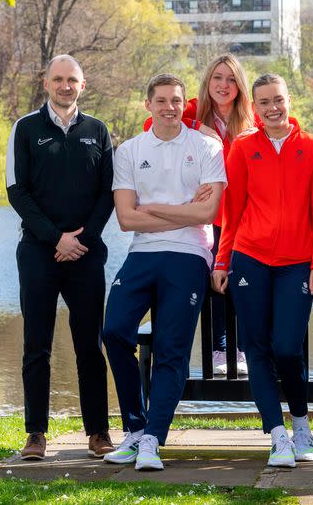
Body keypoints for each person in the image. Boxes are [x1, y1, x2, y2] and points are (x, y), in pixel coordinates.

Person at [102, 74, 226, 471]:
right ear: (148, 105)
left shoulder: (207, 146)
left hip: (190, 254)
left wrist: (151, 209)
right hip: (142, 254)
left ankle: (154, 439)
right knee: (113, 330)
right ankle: (135, 429)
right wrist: (181, 209)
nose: (169, 107)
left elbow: (206, 214)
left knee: (171, 349)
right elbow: (125, 219)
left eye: (176, 101)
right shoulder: (130, 151)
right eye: (161, 101)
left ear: (184, 103)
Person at [211, 74, 313, 468]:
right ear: (255, 107)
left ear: (289, 100)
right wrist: (223, 260)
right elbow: (233, 211)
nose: (272, 108)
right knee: (258, 349)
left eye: (277, 100)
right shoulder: (245, 148)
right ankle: (277, 436)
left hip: (296, 264)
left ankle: (301, 425)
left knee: (286, 347)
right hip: (250, 259)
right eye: (263, 102)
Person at [6, 54, 115, 461]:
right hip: (38, 253)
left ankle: (98, 433)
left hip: (86, 254)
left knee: (90, 345)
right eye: (58, 79)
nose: (65, 86)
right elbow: (17, 192)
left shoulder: (98, 131)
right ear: (46, 83)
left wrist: (82, 239)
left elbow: (108, 193)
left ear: (82, 86)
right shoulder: (25, 129)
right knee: (37, 345)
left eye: (72, 80)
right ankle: (35, 433)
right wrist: (56, 238)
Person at [143, 54, 255, 376]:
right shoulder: (191, 110)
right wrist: (195, 126)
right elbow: (152, 124)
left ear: (239, 86)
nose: (223, 85)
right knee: (217, 279)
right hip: (209, 214)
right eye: (217, 78)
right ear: (208, 82)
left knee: (245, 277)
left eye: (231, 79)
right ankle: (221, 347)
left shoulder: (249, 120)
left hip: (243, 214)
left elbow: (287, 129)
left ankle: (245, 346)